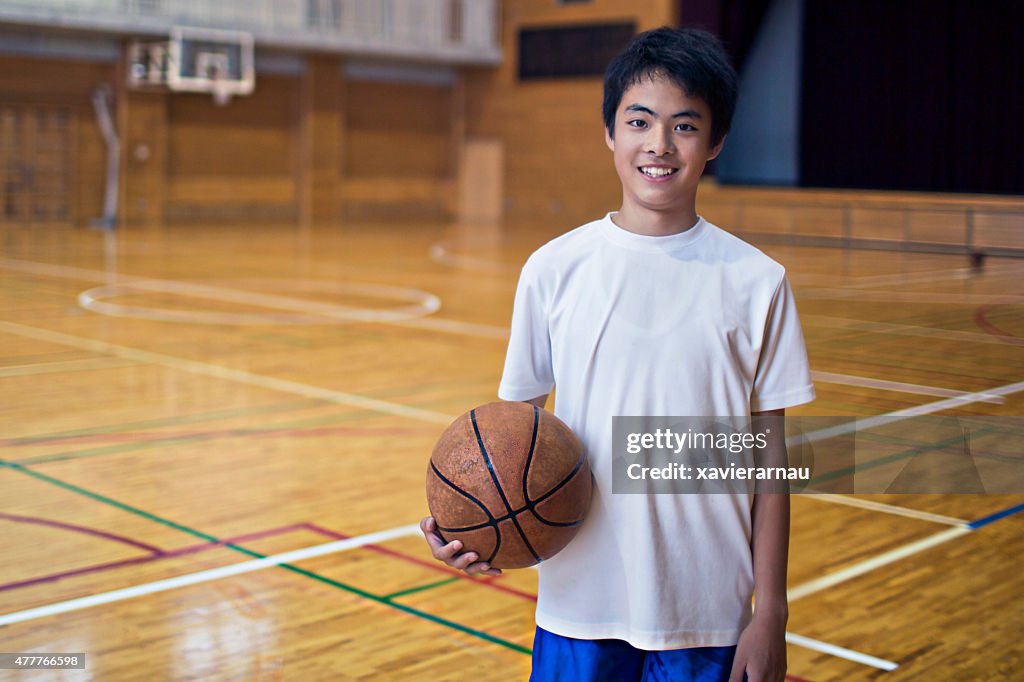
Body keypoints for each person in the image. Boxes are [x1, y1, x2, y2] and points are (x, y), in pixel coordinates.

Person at [422, 26, 814, 682]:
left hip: (708, 609)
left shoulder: (757, 282)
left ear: (715, 142)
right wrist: (468, 522)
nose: (659, 145)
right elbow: (504, 439)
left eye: (685, 126)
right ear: (610, 133)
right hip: (580, 603)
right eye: (640, 121)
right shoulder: (553, 269)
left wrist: (770, 610)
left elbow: (770, 466)